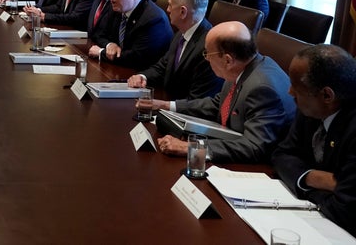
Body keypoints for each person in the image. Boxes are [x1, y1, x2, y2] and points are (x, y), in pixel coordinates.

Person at [143, 21, 295, 162]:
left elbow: (254, 146)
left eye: (208, 54)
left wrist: (191, 148)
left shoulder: (262, 89)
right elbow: (219, 104)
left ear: (228, 60)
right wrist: (166, 106)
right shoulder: (243, 67)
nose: (207, 59)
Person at [272, 45, 356, 237]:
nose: (290, 92)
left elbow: (345, 210)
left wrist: (307, 192)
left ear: (327, 95)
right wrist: (313, 178)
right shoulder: (313, 106)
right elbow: (281, 155)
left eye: (297, 87)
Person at [128, 0, 223, 100]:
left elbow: (198, 100)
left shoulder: (209, 47)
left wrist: (164, 106)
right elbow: (164, 66)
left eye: (170, 5)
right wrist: (143, 76)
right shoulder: (181, 33)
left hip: (186, 113)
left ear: (183, 12)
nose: (167, 10)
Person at [88, 0, 173, 69]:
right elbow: (99, 34)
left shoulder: (153, 19)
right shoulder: (117, 8)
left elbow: (136, 58)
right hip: (119, 70)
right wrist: (110, 45)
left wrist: (101, 52)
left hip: (143, 76)